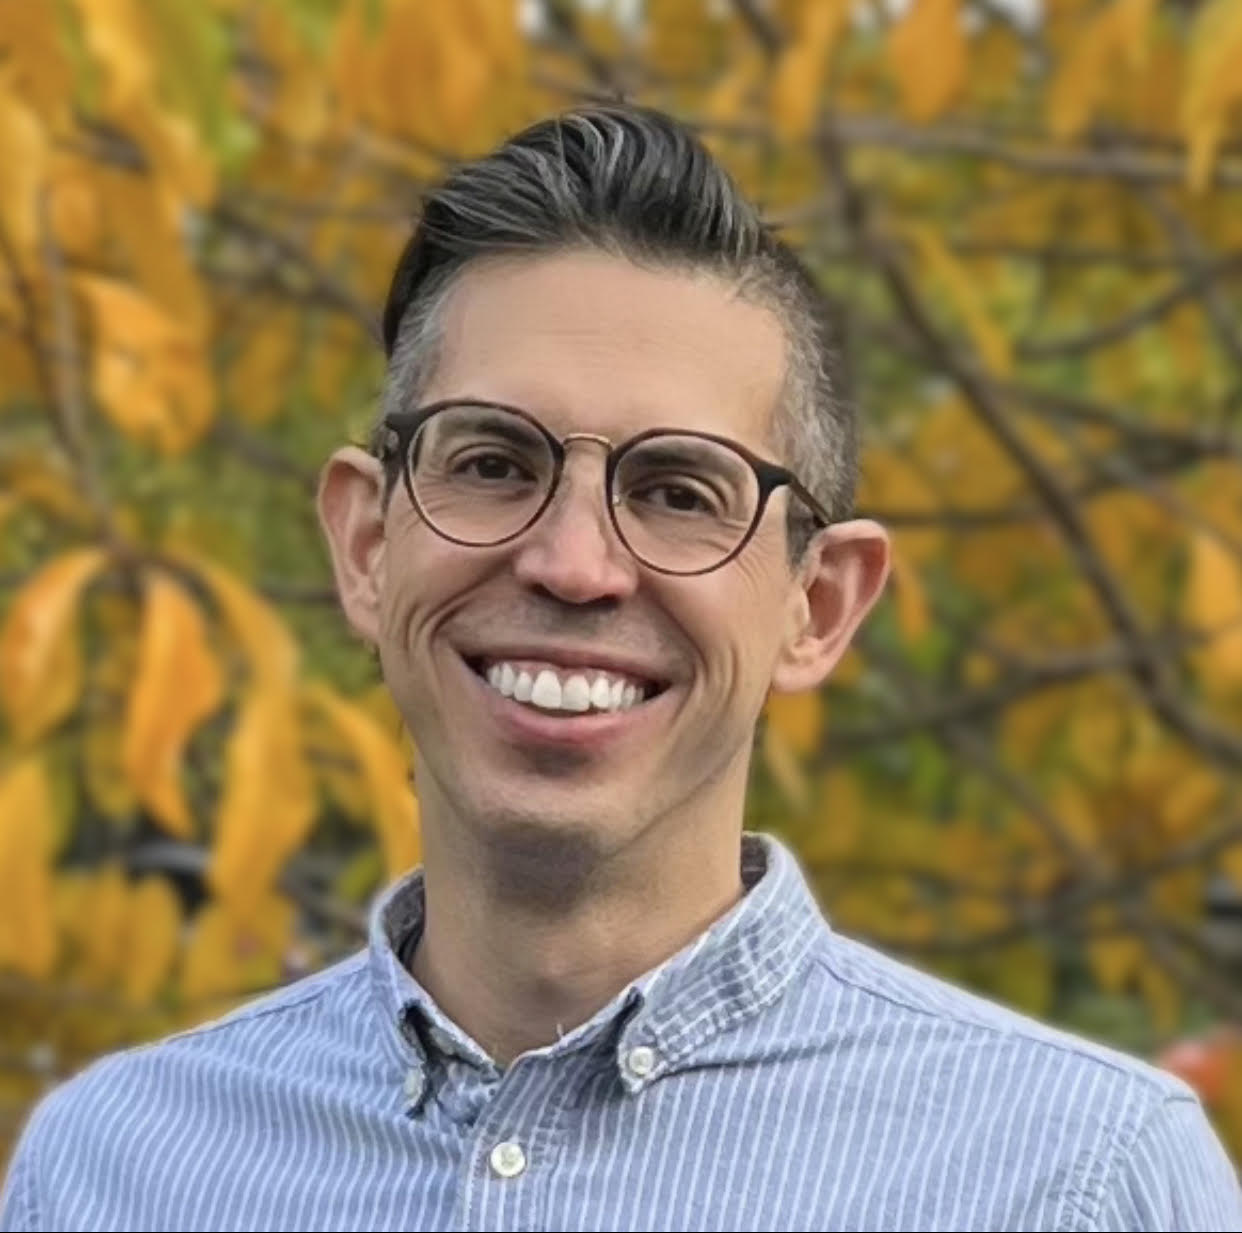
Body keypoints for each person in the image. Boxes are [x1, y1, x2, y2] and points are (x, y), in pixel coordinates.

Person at [2, 104, 1239, 1233]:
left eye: (679, 491)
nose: (575, 563)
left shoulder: (1084, 1178)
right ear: (369, 544)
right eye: (491, 463)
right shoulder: (113, 1170)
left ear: (819, 604)